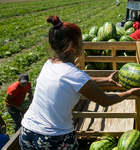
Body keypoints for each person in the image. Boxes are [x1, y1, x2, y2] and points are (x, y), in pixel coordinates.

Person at [19, 15, 140, 150]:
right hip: (53, 137)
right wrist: (130, 92)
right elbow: (105, 101)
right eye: (81, 41)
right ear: (72, 46)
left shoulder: (49, 64)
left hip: (27, 131)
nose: (83, 44)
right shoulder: (74, 75)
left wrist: (106, 79)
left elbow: (77, 82)